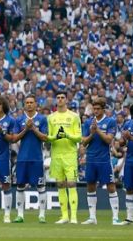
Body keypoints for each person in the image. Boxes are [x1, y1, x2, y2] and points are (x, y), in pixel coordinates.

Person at [80, 97, 123, 225]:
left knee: (110, 186)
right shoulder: (88, 123)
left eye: (98, 109)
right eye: (94, 109)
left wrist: (97, 130)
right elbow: (84, 141)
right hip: (91, 159)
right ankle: (92, 217)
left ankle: (115, 217)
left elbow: (109, 140)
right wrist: (92, 134)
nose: (96, 111)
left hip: (104, 159)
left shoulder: (110, 122)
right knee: (91, 186)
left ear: (103, 109)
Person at [46, 90, 81, 224]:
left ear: (66, 100)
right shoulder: (51, 117)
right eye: (58, 97)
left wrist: (67, 135)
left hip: (70, 155)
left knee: (71, 184)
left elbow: (79, 137)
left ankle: (73, 217)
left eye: (62, 97)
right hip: (56, 156)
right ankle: (64, 216)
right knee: (60, 185)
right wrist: (55, 137)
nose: (60, 99)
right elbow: (48, 138)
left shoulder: (74, 116)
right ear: (56, 100)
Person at [13, 95, 48, 223]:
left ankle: (42, 215)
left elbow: (45, 137)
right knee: (20, 185)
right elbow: (14, 138)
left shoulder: (42, 119)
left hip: (36, 158)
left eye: (31, 102)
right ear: (24, 105)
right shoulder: (19, 119)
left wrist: (33, 128)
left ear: (35, 104)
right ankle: (20, 215)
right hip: (22, 158)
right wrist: (26, 129)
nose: (29, 104)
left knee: (40, 185)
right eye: (27, 102)